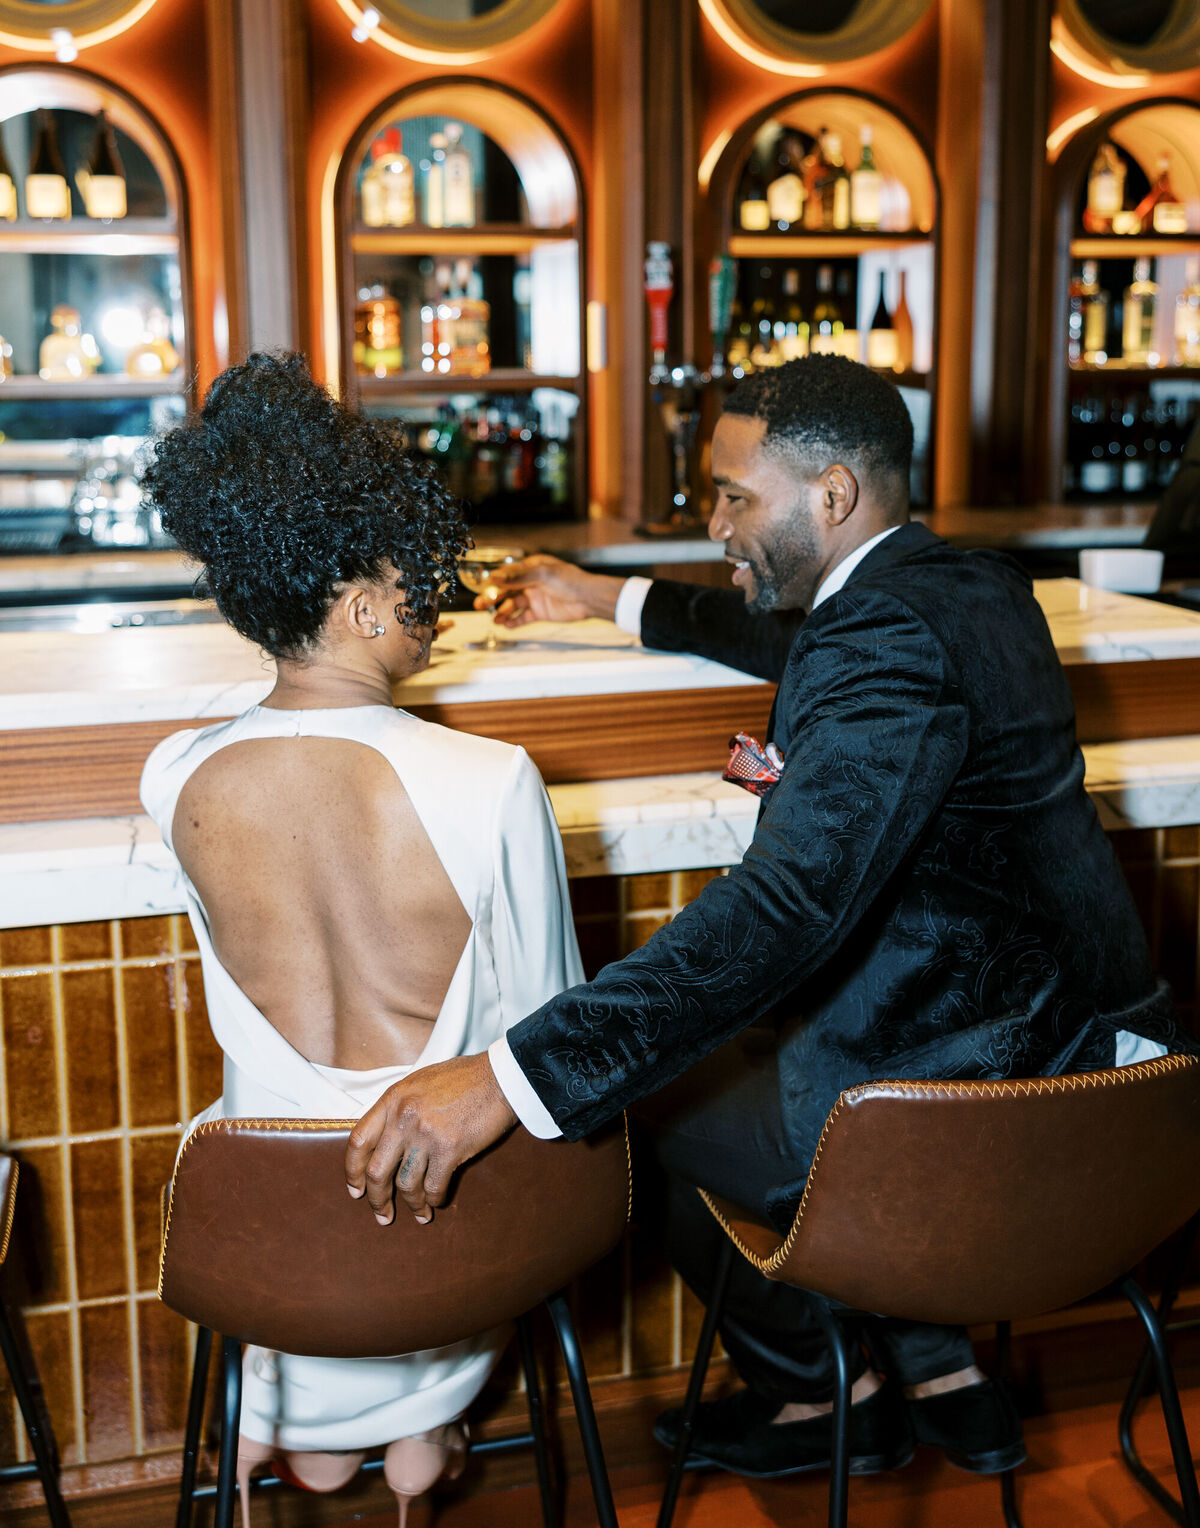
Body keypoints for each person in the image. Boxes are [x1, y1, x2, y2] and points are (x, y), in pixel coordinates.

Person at [343, 354, 1189, 1482]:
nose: (713, 521)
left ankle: (819, 1394)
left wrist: (510, 1074)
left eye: (734, 495)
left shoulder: (879, 643)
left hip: (969, 1118)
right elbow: (797, 638)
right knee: (726, 1053)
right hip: (1117, 1092)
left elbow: (789, 907)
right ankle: (944, 1370)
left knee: (627, 1113)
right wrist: (607, 597)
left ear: (831, 495)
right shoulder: (971, 591)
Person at [139, 355, 584, 1528]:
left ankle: (306, 1442)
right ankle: (419, 1430)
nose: (430, 604)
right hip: (448, 1251)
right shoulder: (489, 781)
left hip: (269, 1259)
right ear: (355, 603)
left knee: (309, 1257)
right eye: (412, 581)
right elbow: (552, 1035)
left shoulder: (174, 776)